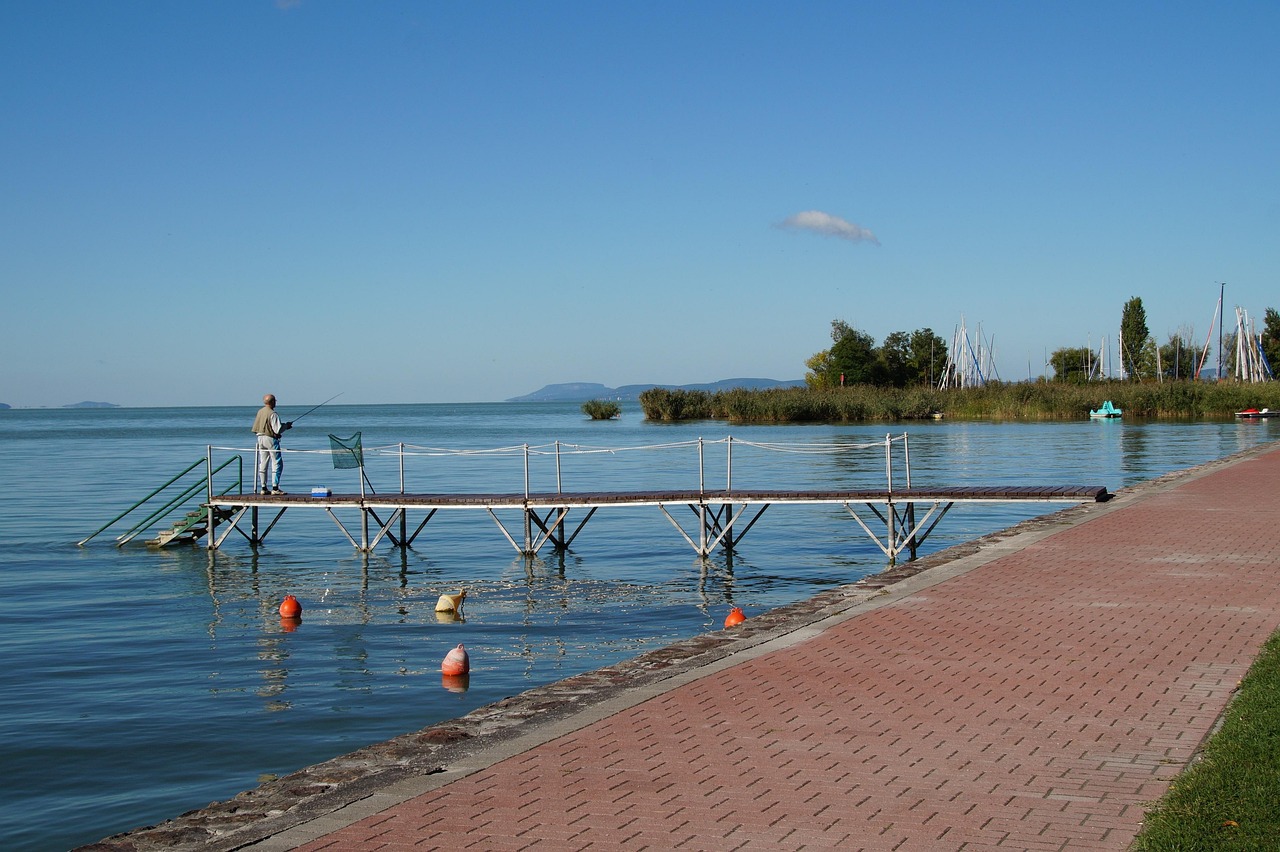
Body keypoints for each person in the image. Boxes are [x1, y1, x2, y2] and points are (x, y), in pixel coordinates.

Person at [251, 393, 292, 495]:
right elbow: (277, 429)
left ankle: (263, 487)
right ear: (272, 402)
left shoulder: (260, 412)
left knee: (263, 463)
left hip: (260, 438)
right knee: (277, 462)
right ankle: (275, 487)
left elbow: (256, 427)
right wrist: (286, 426)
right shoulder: (272, 414)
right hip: (270, 439)